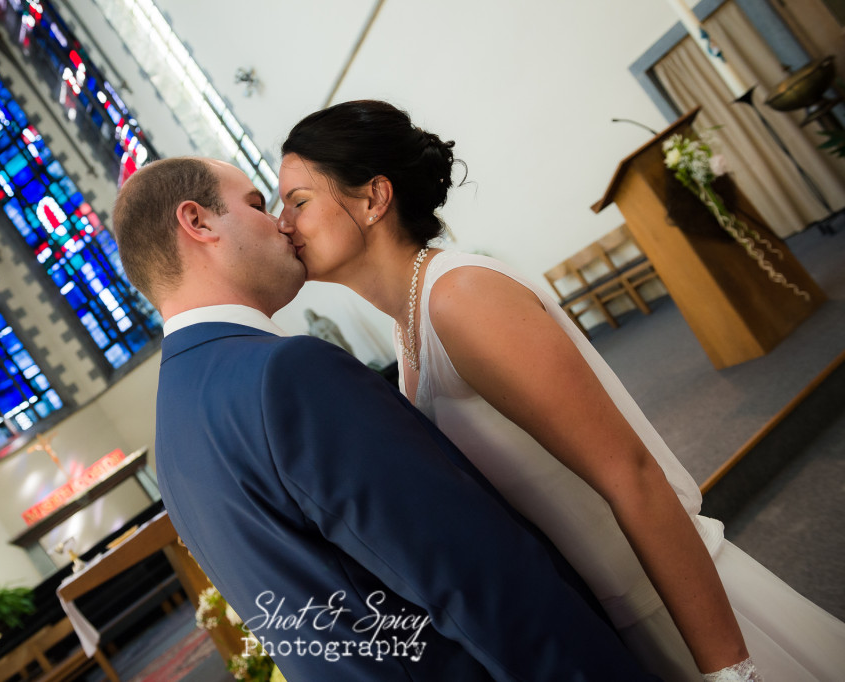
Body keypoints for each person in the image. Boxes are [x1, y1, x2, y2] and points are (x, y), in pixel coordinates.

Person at [277, 99, 845, 682]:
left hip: (677, 605)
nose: (282, 224)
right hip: (611, 618)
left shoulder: (461, 299)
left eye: (298, 201)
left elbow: (632, 474)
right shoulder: (409, 328)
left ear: (373, 199)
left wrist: (729, 671)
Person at [112, 156, 655, 681]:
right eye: (256, 204)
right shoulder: (285, 373)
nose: (281, 222)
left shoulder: (172, 434)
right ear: (198, 221)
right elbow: (469, 574)